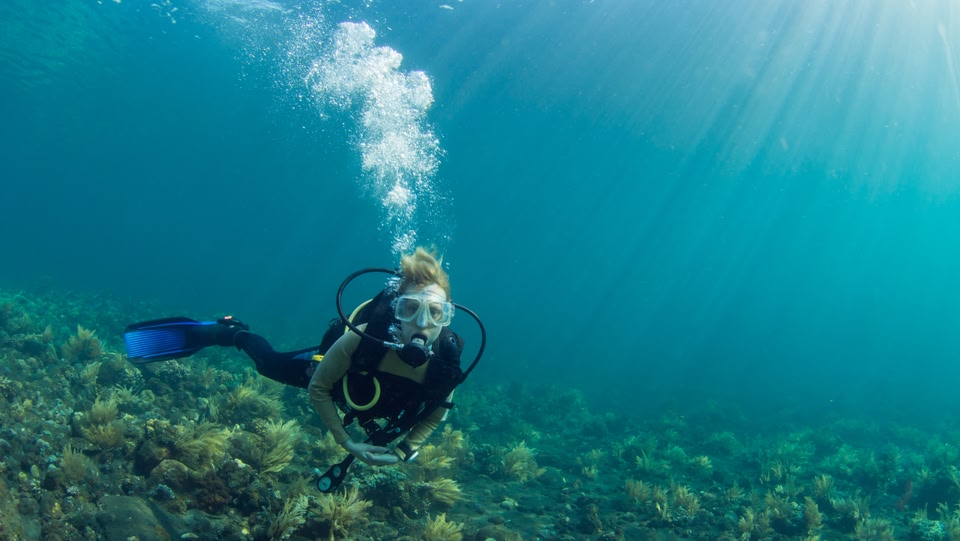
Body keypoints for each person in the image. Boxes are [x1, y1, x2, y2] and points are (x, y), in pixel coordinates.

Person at [123, 247, 481, 480]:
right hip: (339, 378)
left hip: (364, 398)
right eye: (410, 309)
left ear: (447, 319)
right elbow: (320, 388)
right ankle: (230, 332)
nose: (421, 324)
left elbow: (437, 412)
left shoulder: (445, 365)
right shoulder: (360, 340)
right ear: (397, 313)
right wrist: (347, 443)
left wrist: (404, 451)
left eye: (436, 313)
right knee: (268, 364)